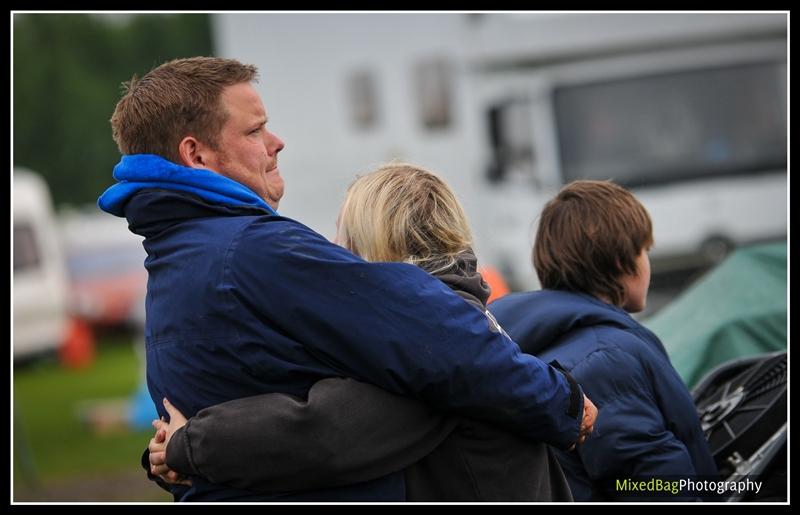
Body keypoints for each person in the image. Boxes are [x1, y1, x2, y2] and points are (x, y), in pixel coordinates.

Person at [97, 56, 594, 502]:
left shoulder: (175, 262)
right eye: (255, 131)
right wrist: (559, 400)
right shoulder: (253, 250)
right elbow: (431, 349)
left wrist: (182, 452)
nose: (277, 142)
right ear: (196, 154)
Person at [147, 164, 588, 501]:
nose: (334, 254)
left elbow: (322, 432)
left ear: (373, 242)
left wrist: (186, 447)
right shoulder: (460, 317)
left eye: (342, 237)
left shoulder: (429, 349)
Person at [488, 180, 718, 501]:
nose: (647, 262)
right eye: (645, 250)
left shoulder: (528, 342)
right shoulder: (605, 359)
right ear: (623, 261)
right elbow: (653, 485)